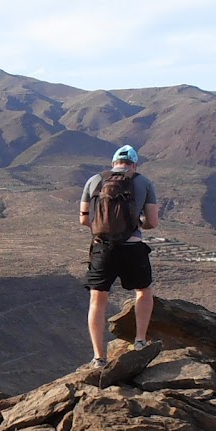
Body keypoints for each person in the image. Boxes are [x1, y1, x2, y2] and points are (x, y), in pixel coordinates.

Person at [79, 144, 159, 366]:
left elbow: (84, 219)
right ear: (134, 164)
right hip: (133, 247)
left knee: (98, 298)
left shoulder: (94, 180)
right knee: (143, 291)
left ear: (113, 163)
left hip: (102, 247)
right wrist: (134, 223)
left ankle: (99, 357)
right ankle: (140, 340)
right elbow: (152, 222)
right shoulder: (143, 182)